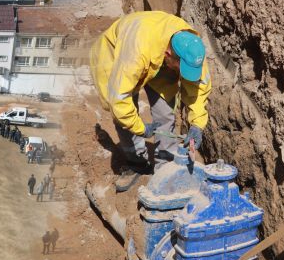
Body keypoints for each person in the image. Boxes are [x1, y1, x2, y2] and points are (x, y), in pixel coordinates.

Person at [90, 11, 211, 192]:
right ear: (168, 54)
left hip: (157, 56)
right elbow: (120, 100)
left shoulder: (192, 48)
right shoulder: (135, 55)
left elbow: (199, 87)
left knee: (165, 112)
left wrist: (197, 125)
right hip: (118, 53)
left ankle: (165, 169)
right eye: (181, 69)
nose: (182, 75)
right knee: (123, 117)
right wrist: (139, 128)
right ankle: (137, 163)